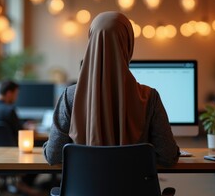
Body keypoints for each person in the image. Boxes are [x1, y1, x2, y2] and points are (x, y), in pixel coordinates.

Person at [43, 11, 180, 166]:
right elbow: (168, 156)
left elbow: (53, 155)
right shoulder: (149, 97)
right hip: (134, 189)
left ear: (91, 42)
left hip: (85, 189)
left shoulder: (70, 96)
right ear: (128, 44)